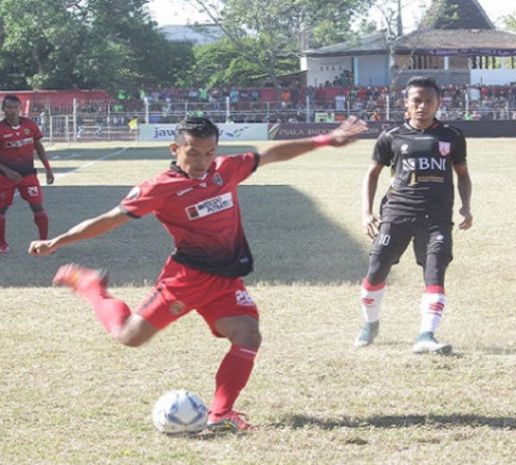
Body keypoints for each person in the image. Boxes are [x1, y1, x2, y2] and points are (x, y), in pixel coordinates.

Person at [28, 116, 367, 432]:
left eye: (209, 152)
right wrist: (58, 241)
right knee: (128, 337)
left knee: (248, 335)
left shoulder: (226, 170)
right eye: (193, 153)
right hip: (187, 278)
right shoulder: (159, 187)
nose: (202, 161)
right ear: (174, 150)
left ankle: (221, 414)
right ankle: (90, 285)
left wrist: (326, 140)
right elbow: (109, 219)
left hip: (226, 278)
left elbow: (271, 154)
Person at [354, 76, 473, 354]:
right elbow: (372, 175)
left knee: (435, 272)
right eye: (416, 100)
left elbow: (463, 175)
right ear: (406, 103)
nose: (422, 106)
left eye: (428, 101)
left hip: (437, 218)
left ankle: (426, 335)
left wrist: (466, 205)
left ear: (438, 103)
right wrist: (367, 212)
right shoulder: (391, 137)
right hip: (397, 214)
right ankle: (370, 325)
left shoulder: (452, 136)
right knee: (375, 272)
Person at [0, 95, 53, 253]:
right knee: (1, 210)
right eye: (9, 107)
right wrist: (7, 171)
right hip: (4, 178)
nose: (13, 111)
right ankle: (2, 244)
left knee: (38, 207)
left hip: (28, 175)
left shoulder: (30, 125)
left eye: (15, 107)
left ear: (20, 108)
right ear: (3, 109)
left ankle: (44, 242)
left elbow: (39, 147)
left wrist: (48, 169)